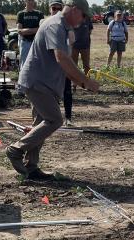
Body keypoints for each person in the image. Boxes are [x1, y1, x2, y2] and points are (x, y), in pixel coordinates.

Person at [6, 0, 99, 180]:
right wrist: (86, 80)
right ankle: (15, 149)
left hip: (45, 83)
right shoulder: (55, 25)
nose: (84, 20)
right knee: (54, 120)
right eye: (83, 15)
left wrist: (80, 82)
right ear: (74, 9)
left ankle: (31, 167)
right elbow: (62, 58)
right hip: (38, 82)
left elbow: (65, 63)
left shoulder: (62, 26)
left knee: (40, 124)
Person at [50, 0, 75, 126]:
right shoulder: (44, 23)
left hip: (64, 62)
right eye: (53, 8)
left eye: (59, 8)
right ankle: (52, 118)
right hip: (50, 65)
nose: (56, 11)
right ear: (50, 9)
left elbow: (72, 40)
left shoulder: (66, 24)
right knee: (51, 92)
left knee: (66, 91)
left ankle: (68, 118)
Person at [17, 0, 43, 67]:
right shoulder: (21, 14)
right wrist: (34, 30)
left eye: (32, 0)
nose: (30, 2)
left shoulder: (39, 14)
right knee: (24, 64)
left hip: (36, 43)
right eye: (29, 0)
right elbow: (19, 31)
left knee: (37, 64)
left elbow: (41, 30)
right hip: (25, 43)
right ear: (25, 1)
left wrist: (26, 31)